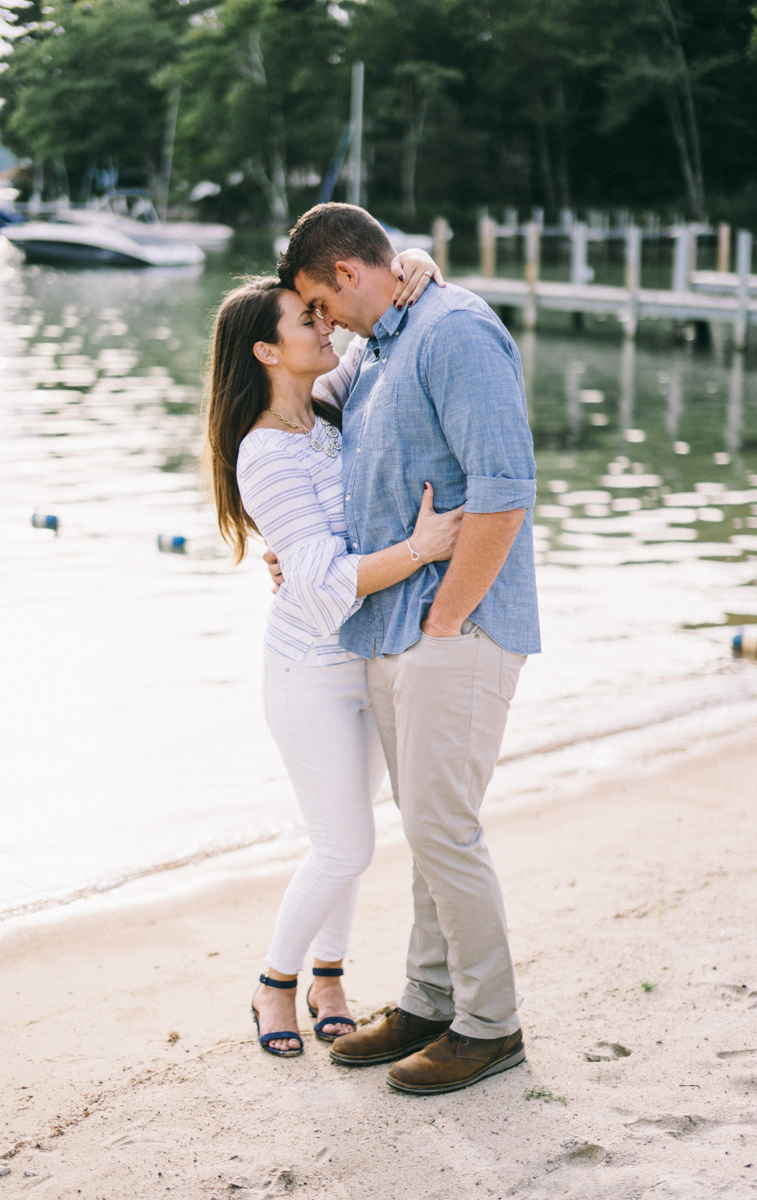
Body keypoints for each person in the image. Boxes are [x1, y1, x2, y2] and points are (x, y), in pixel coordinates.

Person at [275, 202, 540, 1095]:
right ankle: (430, 1001)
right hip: (391, 625)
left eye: (319, 302)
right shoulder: (383, 344)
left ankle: (490, 1023)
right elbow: (303, 412)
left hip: (454, 625)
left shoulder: (455, 331)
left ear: (347, 274)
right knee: (428, 829)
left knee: (442, 830)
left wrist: (443, 620)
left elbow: (504, 492)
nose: (319, 320)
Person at [203, 250, 460, 1058]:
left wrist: (416, 261)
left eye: (319, 311)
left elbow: (375, 314)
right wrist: (420, 550)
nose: (324, 322)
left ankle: (330, 976)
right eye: (304, 318)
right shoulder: (263, 453)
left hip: (367, 656)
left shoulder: (325, 403)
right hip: (309, 670)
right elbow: (315, 587)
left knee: (351, 839)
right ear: (265, 351)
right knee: (343, 843)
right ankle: (274, 983)